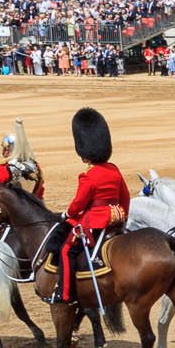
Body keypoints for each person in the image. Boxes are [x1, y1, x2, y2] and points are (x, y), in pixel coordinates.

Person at [57, 107, 130, 305]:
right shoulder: (114, 169)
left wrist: (67, 213)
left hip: (96, 221)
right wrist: (123, 217)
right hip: (117, 217)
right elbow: (125, 196)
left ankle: (64, 294)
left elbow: (79, 203)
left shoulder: (89, 175)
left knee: (66, 250)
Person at [0, 122, 44, 199]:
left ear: (7, 150)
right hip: (32, 206)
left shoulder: (2, 167)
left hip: (10, 208)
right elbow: (40, 192)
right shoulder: (35, 166)